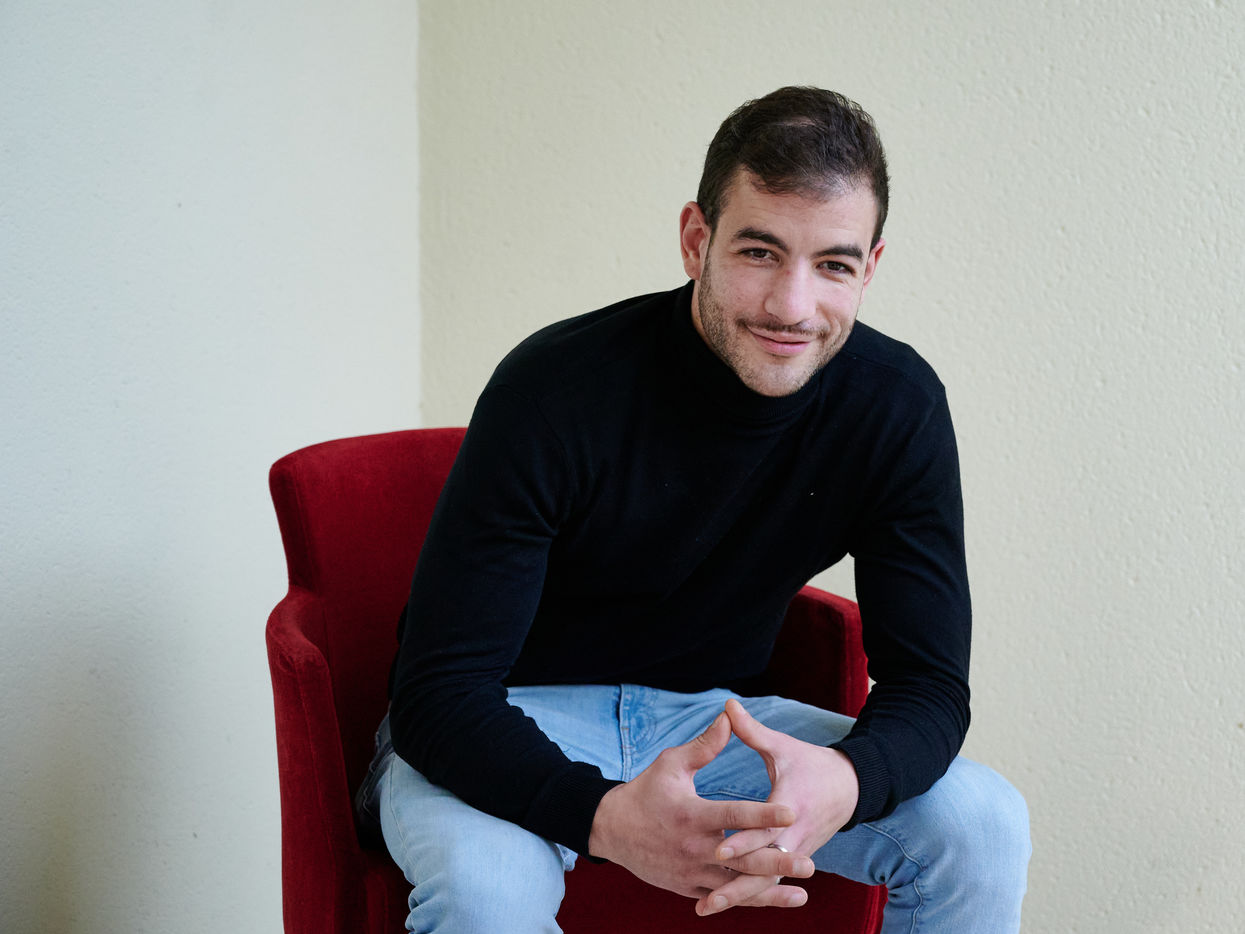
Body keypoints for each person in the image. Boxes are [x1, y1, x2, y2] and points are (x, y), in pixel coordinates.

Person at [358, 86, 1031, 932]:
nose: (791, 306)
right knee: (489, 890)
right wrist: (607, 819)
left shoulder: (895, 406)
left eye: (832, 265)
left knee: (981, 824)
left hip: (715, 724)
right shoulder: (555, 387)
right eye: (759, 251)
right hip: (508, 713)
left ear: (870, 267)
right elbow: (438, 693)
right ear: (695, 240)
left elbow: (929, 685)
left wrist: (847, 778)